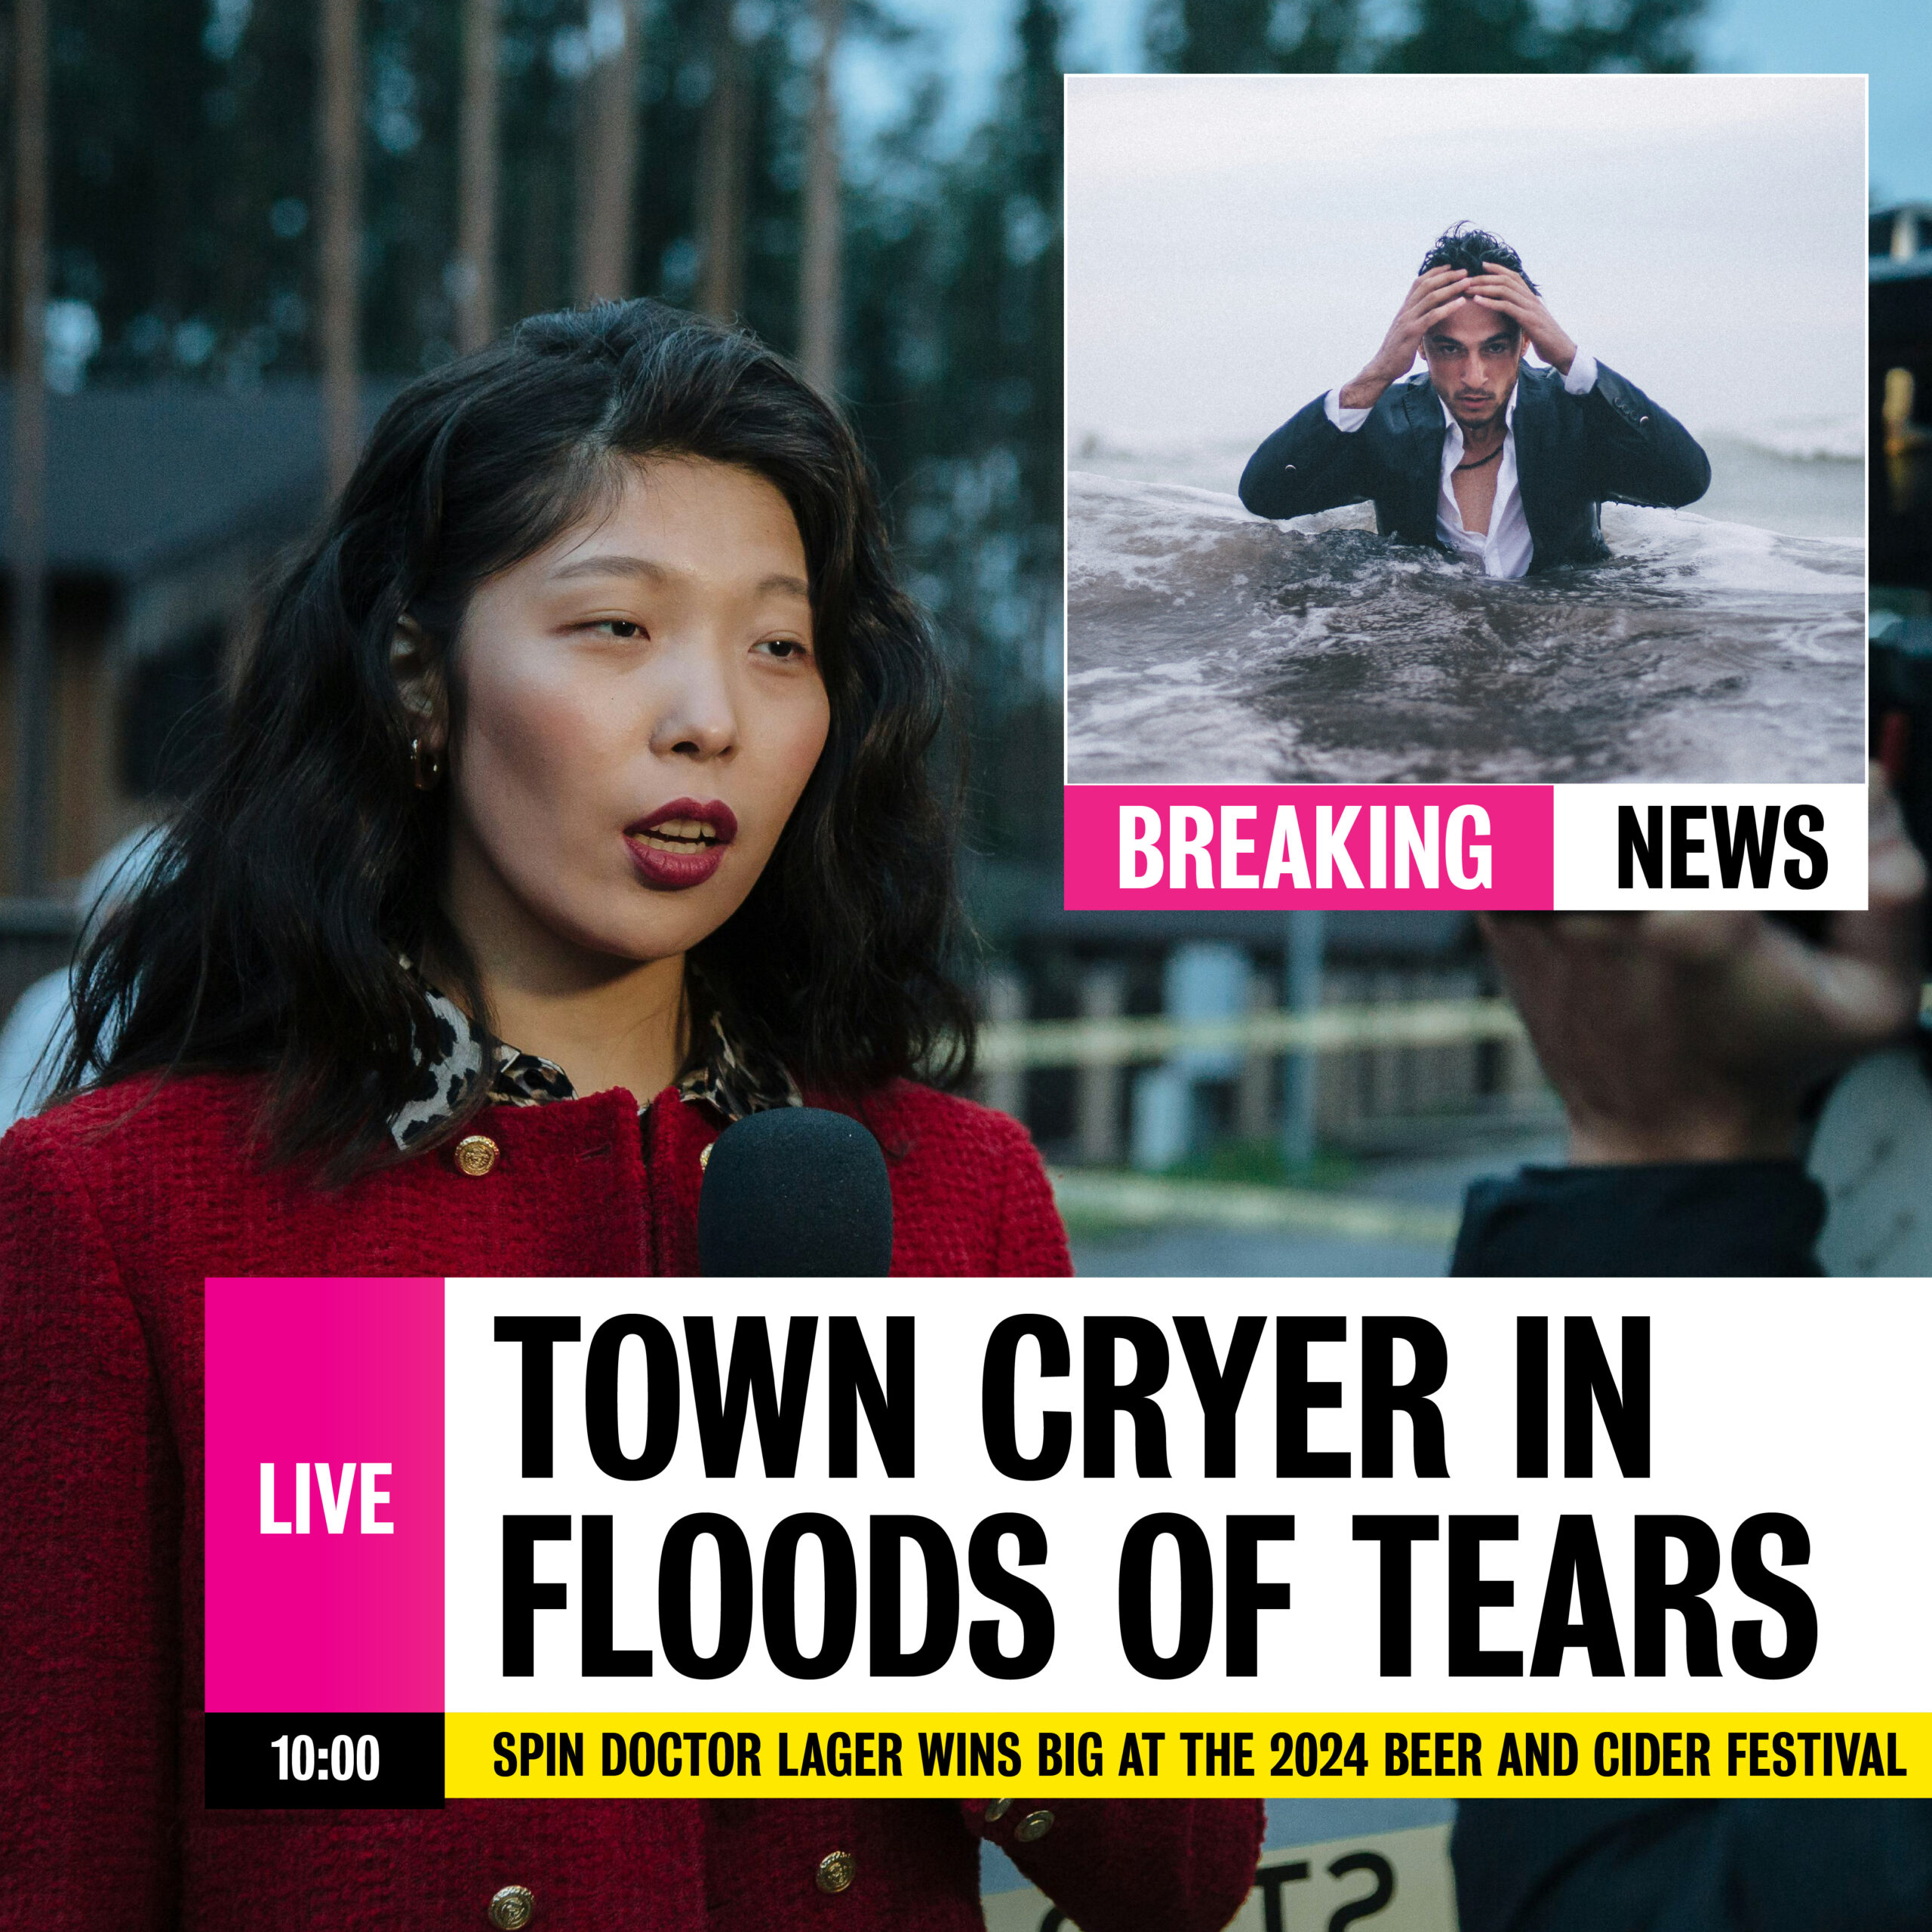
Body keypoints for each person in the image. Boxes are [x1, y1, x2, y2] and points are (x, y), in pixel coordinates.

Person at [0, 300, 1262, 1931]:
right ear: (417, 676)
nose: (709, 718)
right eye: (613, 627)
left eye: (777, 643)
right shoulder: (129, 1213)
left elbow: (1182, 1875)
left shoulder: (952, 1192)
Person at [1238, 223, 1711, 577]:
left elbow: (1685, 481)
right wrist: (1376, 374)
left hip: (1562, 654)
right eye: (1450, 349)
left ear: (1526, 342)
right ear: (1420, 346)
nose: (1474, 376)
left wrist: (1568, 357)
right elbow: (1266, 497)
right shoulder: (1386, 424)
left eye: (1495, 347)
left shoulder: (1574, 416)